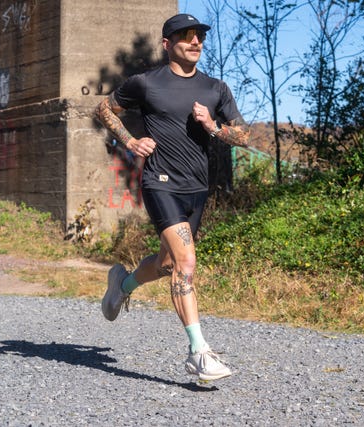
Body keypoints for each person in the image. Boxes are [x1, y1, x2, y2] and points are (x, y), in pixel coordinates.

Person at [95, 13, 250, 381]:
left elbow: (244, 135)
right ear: (167, 44)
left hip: (196, 189)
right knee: (187, 263)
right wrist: (130, 141)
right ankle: (199, 352)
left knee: (168, 265)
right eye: (185, 36)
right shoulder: (147, 84)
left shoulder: (216, 89)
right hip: (160, 183)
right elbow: (103, 109)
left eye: (199, 36)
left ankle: (123, 285)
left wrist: (212, 126)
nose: (195, 42)